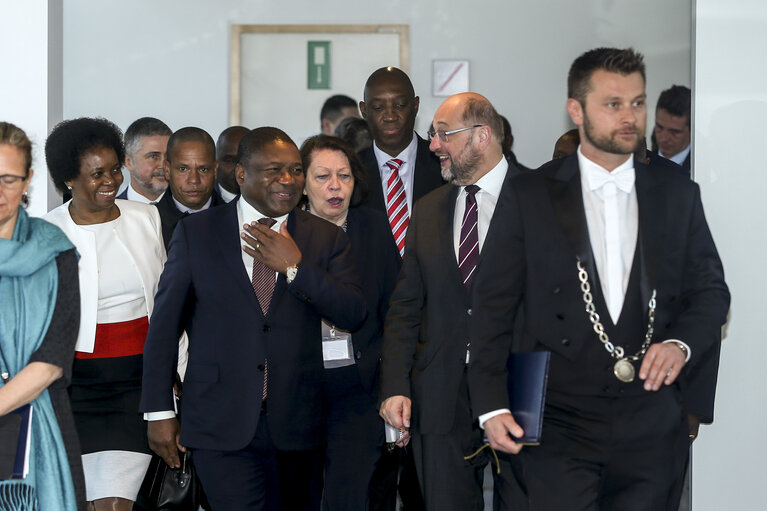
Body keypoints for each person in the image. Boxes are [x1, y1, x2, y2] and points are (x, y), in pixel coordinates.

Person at [492, 47, 729, 509]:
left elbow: (711, 293)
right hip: (560, 424)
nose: (630, 116)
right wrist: (492, 403)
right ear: (576, 110)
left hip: (651, 426)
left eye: (638, 103)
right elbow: (495, 305)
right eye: (613, 104)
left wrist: (680, 343)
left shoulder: (677, 194)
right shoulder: (532, 193)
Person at [140, 127, 366, 510]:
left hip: (298, 425)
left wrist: (296, 269)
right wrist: (159, 411)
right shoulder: (197, 233)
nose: (288, 180)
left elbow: (353, 312)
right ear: (242, 174)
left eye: (296, 170)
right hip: (219, 423)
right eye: (275, 170)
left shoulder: (324, 238)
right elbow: (164, 328)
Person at [379, 93, 526, 511]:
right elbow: (406, 306)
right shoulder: (427, 210)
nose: (432, 145)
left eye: (444, 134)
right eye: (433, 134)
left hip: (516, 386)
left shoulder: (539, 198)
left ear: (481, 136)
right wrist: (394, 387)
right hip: (439, 393)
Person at [43, 117, 176, 511]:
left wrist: (171, 391)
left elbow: (167, 309)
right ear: (68, 178)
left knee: (116, 504)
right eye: (96, 173)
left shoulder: (145, 219)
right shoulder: (44, 234)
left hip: (136, 389)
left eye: (115, 169)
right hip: (72, 394)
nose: (110, 181)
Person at [300, 135, 400, 510]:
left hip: (359, 385)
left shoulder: (373, 228)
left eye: (344, 176)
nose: (335, 186)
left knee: (351, 494)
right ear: (303, 182)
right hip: (301, 386)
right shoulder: (286, 233)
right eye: (323, 176)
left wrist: (394, 386)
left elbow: (395, 309)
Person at [0, 122, 84, 510]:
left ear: (29, 179)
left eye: (8, 179)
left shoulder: (56, 252)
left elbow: (52, 360)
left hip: (39, 424)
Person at [359, 66, 444, 259]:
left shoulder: (444, 163)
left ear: (415, 105)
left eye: (400, 105)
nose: (390, 116)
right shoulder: (350, 170)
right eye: (379, 107)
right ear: (364, 110)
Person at [155, 127, 224, 248]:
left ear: (215, 170)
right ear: (167, 170)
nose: (194, 180)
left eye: (203, 169)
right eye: (183, 169)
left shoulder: (238, 222)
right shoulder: (147, 225)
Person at [117, 117, 172, 203]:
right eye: (153, 157)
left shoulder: (192, 210)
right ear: (128, 162)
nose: (163, 165)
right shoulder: (107, 213)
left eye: (168, 156)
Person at [653, 85, 692, 172]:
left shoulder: (703, 168)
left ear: (691, 131)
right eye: (659, 127)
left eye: (674, 132)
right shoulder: (640, 164)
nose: (664, 138)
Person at [216, 125, 249, 202]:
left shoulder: (272, 201)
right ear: (215, 163)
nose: (237, 170)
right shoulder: (201, 202)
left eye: (244, 160)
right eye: (229, 161)